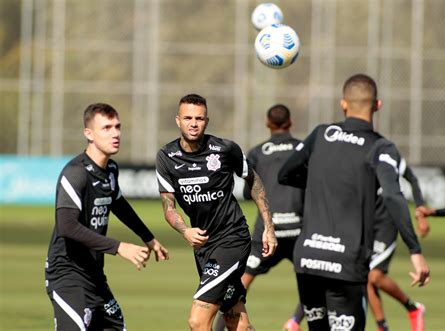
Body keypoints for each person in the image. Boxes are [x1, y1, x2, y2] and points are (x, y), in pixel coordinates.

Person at [278, 74, 430, 331]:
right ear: (377, 105)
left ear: (343, 104)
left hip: (308, 258)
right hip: (345, 262)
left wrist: (324, 184)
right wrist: (415, 251)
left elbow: (285, 173)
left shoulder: (321, 134)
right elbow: (394, 195)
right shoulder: (381, 147)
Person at [155, 94, 277, 331]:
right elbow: (168, 206)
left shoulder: (224, 149)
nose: (193, 123)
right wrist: (184, 230)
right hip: (203, 246)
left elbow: (255, 181)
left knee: (197, 321)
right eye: (188, 117)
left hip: (232, 239)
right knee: (235, 317)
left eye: (199, 118)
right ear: (178, 121)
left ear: (206, 121)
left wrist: (268, 229)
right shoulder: (166, 157)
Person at [45, 103, 169, 330]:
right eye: (107, 128)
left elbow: (119, 204)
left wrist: (148, 238)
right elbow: (67, 226)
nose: (116, 133)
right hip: (67, 275)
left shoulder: (110, 169)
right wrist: (119, 247)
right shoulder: (76, 173)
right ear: (88, 134)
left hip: (94, 276)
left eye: (118, 126)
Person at [213, 104, 305, 331]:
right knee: (313, 280)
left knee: (236, 286)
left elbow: (248, 192)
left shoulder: (257, 152)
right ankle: (294, 321)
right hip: (299, 229)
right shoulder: (304, 149)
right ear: (290, 122)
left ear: (267, 124)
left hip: (266, 232)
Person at [369, 159, 429, 331]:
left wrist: (420, 211)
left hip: (387, 222)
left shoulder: (386, 152)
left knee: (375, 275)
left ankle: (413, 308)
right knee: (365, 276)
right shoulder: (356, 149)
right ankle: (382, 327)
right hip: (367, 222)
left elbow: (412, 178)